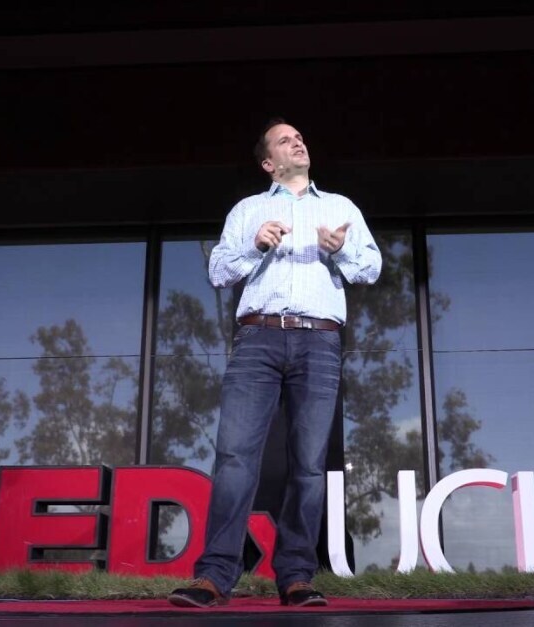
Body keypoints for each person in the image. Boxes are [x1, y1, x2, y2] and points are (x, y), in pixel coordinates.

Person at [168, 119, 381, 608]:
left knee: (308, 464)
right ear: (268, 162)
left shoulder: (341, 207)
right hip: (257, 339)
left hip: (319, 341)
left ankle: (296, 576)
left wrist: (341, 249)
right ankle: (214, 576)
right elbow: (219, 271)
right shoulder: (249, 210)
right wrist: (254, 244)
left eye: (300, 137)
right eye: (286, 140)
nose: (298, 142)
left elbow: (370, 269)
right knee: (235, 458)